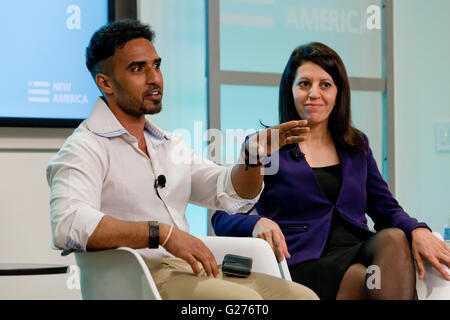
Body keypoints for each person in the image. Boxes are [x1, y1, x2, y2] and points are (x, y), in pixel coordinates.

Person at [46, 19, 318, 300]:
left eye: (156, 65)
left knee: (302, 297)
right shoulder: (84, 147)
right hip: (137, 278)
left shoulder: (169, 144)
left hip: (191, 270)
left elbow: (230, 192)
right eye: (138, 68)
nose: (155, 78)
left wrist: (251, 158)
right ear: (105, 82)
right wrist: (161, 233)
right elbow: (68, 223)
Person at [212, 42, 450, 300]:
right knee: (364, 278)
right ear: (290, 90)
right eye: (304, 84)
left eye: (325, 84)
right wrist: (257, 221)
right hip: (302, 260)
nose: (314, 93)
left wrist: (418, 230)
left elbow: (386, 209)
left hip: (356, 247)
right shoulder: (266, 146)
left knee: (393, 238)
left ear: (338, 93)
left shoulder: (356, 145)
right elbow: (224, 214)